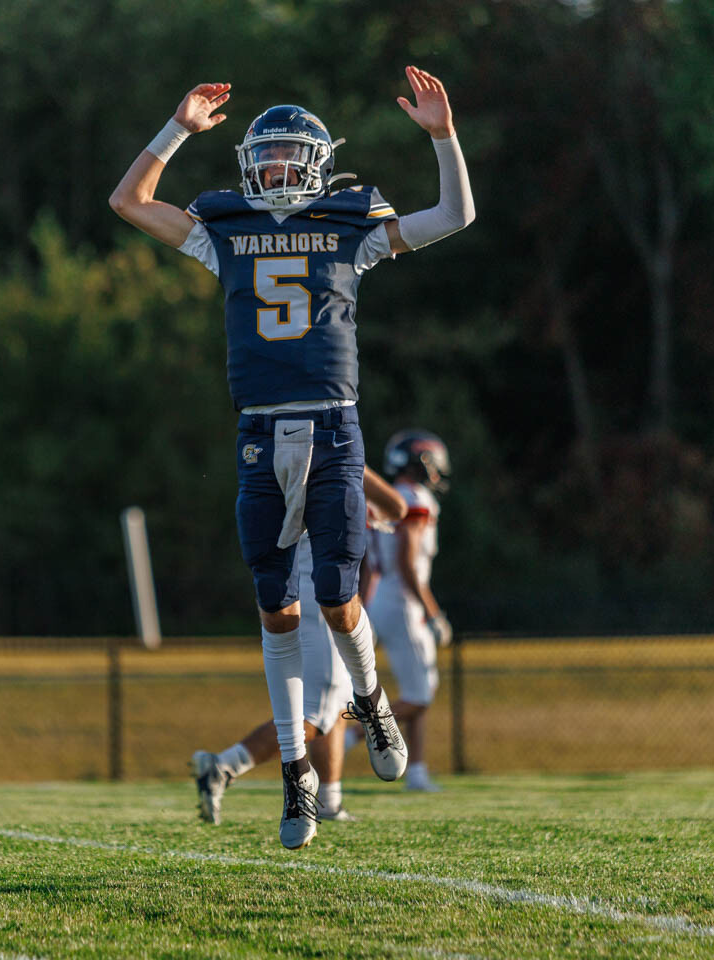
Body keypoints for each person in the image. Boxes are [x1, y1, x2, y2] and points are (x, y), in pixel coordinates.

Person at [109, 66, 474, 848]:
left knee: (339, 598)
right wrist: (176, 130)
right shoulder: (226, 224)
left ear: (315, 164)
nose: (275, 168)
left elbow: (455, 214)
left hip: (333, 427)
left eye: (287, 156)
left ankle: (371, 703)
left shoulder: (351, 221)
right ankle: (296, 777)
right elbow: (128, 202)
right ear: (250, 163)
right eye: (265, 155)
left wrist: (444, 138)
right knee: (275, 607)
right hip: (258, 431)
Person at [193, 468, 407, 825]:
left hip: (295, 581)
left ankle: (329, 801)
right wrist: (356, 499)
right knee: (318, 709)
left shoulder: (270, 451)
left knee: (334, 702)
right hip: (318, 588)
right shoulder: (331, 446)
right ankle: (225, 765)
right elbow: (397, 507)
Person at [362, 429, 453, 792]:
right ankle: (354, 733)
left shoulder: (385, 495)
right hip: (403, 602)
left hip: (383, 598)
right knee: (420, 695)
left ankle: (416, 772)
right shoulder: (413, 498)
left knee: (419, 686)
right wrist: (433, 611)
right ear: (422, 463)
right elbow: (407, 563)